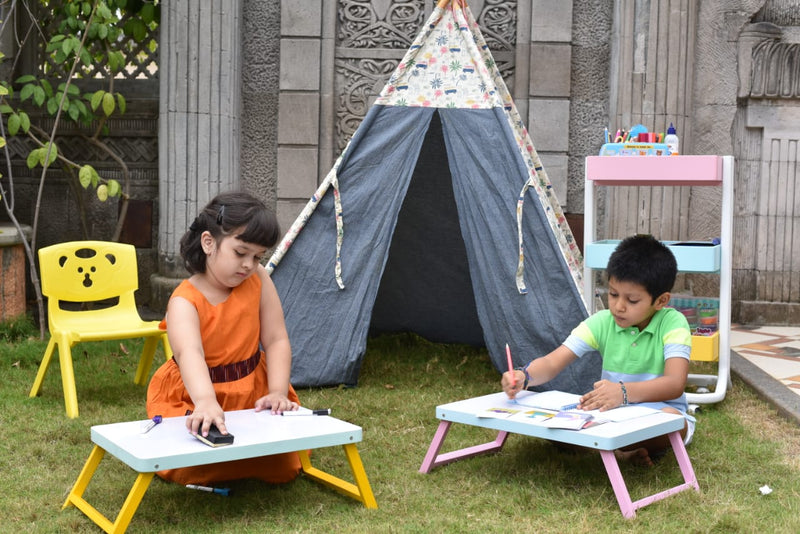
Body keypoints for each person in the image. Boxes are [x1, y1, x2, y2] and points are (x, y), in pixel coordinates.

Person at [147, 191, 302, 485]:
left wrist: (278, 392)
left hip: (252, 390)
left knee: (284, 467)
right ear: (209, 243)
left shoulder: (259, 280)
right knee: (192, 466)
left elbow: (276, 339)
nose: (248, 264)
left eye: (257, 257)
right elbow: (189, 353)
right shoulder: (184, 301)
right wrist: (206, 401)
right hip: (197, 393)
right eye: (240, 253)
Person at [502, 234, 695, 465]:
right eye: (613, 294)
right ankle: (618, 451)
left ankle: (608, 448)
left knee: (673, 423)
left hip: (658, 413)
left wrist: (622, 393)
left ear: (661, 301)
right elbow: (553, 362)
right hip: (611, 414)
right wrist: (524, 376)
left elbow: (674, 384)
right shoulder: (602, 322)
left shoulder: (673, 323)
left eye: (632, 300)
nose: (618, 306)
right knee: (556, 424)